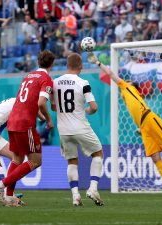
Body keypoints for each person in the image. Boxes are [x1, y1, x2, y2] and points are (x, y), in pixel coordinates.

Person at [87, 52, 162, 197]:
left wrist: (98, 63)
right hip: (143, 126)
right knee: (154, 156)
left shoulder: (127, 87)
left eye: (128, 81)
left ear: (132, 86)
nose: (125, 81)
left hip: (150, 119)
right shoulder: (128, 94)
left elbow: (110, 73)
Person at [0, 50, 54, 207]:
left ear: (38, 62)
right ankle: (0, 185)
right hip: (25, 124)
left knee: (17, 158)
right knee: (35, 161)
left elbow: (28, 101)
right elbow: (40, 102)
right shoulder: (46, 78)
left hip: (13, 120)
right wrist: (48, 119)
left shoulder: (28, 76)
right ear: (52, 64)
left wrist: (39, 116)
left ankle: (9, 197)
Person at [51, 53, 104, 206]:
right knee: (98, 153)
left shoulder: (55, 83)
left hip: (64, 130)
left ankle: (75, 196)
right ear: (80, 66)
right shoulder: (83, 82)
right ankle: (93, 188)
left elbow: (54, 107)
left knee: (72, 161)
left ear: (67, 65)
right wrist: (87, 110)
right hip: (80, 126)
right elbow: (94, 106)